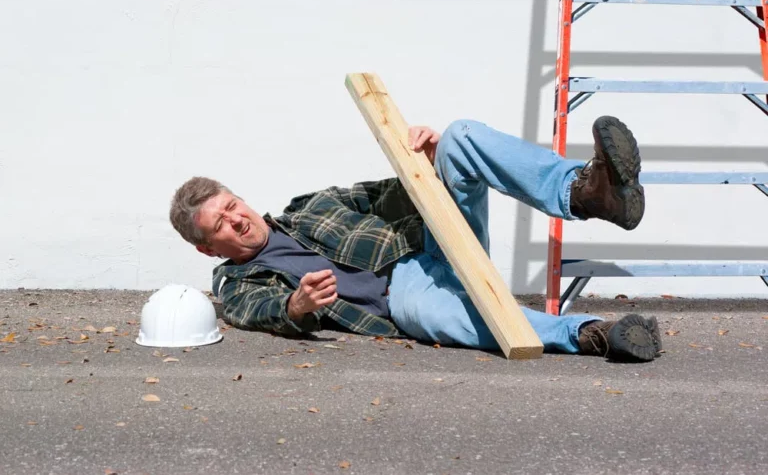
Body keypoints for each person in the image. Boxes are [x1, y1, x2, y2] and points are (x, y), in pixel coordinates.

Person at [169, 116, 661, 362]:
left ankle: (587, 193)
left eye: (232, 206)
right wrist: (296, 307)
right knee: (426, 314)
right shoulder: (235, 280)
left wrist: (425, 162)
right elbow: (254, 311)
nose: (236, 220)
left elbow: (392, 192)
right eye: (219, 226)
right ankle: (589, 334)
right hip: (402, 294)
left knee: (460, 135)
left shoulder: (309, 206)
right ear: (207, 247)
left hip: (432, 242)